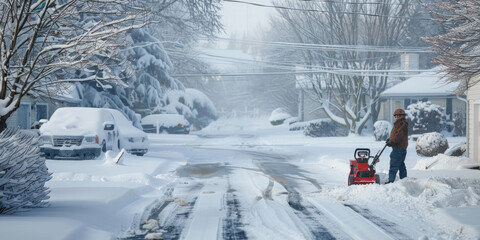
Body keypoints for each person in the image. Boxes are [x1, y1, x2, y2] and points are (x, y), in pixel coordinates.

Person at [386, 108, 409, 183]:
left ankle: (391, 181)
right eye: (395, 116)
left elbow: (398, 135)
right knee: (401, 165)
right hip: (400, 148)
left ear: (401, 116)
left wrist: (392, 142)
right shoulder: (400, 123)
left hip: (398, 149)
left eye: (398, 116)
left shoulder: (401, 124)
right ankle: (404, 181)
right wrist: (390, 140)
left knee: (394, 165)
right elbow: (395, 134)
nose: (396, 117)